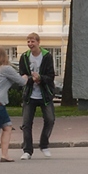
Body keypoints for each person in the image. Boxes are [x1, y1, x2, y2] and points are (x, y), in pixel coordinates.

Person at [18, 32, 56, 160]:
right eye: (28, 41)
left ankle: (44, 145)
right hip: (30, 95)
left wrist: (40, 78)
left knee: (50, 119)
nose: (30, 44)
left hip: (44, 94)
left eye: (32, 41)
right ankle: (27, 150)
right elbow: (22, 75)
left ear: (38, 42)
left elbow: (51, 76)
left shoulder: (47, 56)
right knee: (26, 123)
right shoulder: (24, 57)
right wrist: (29, 79)